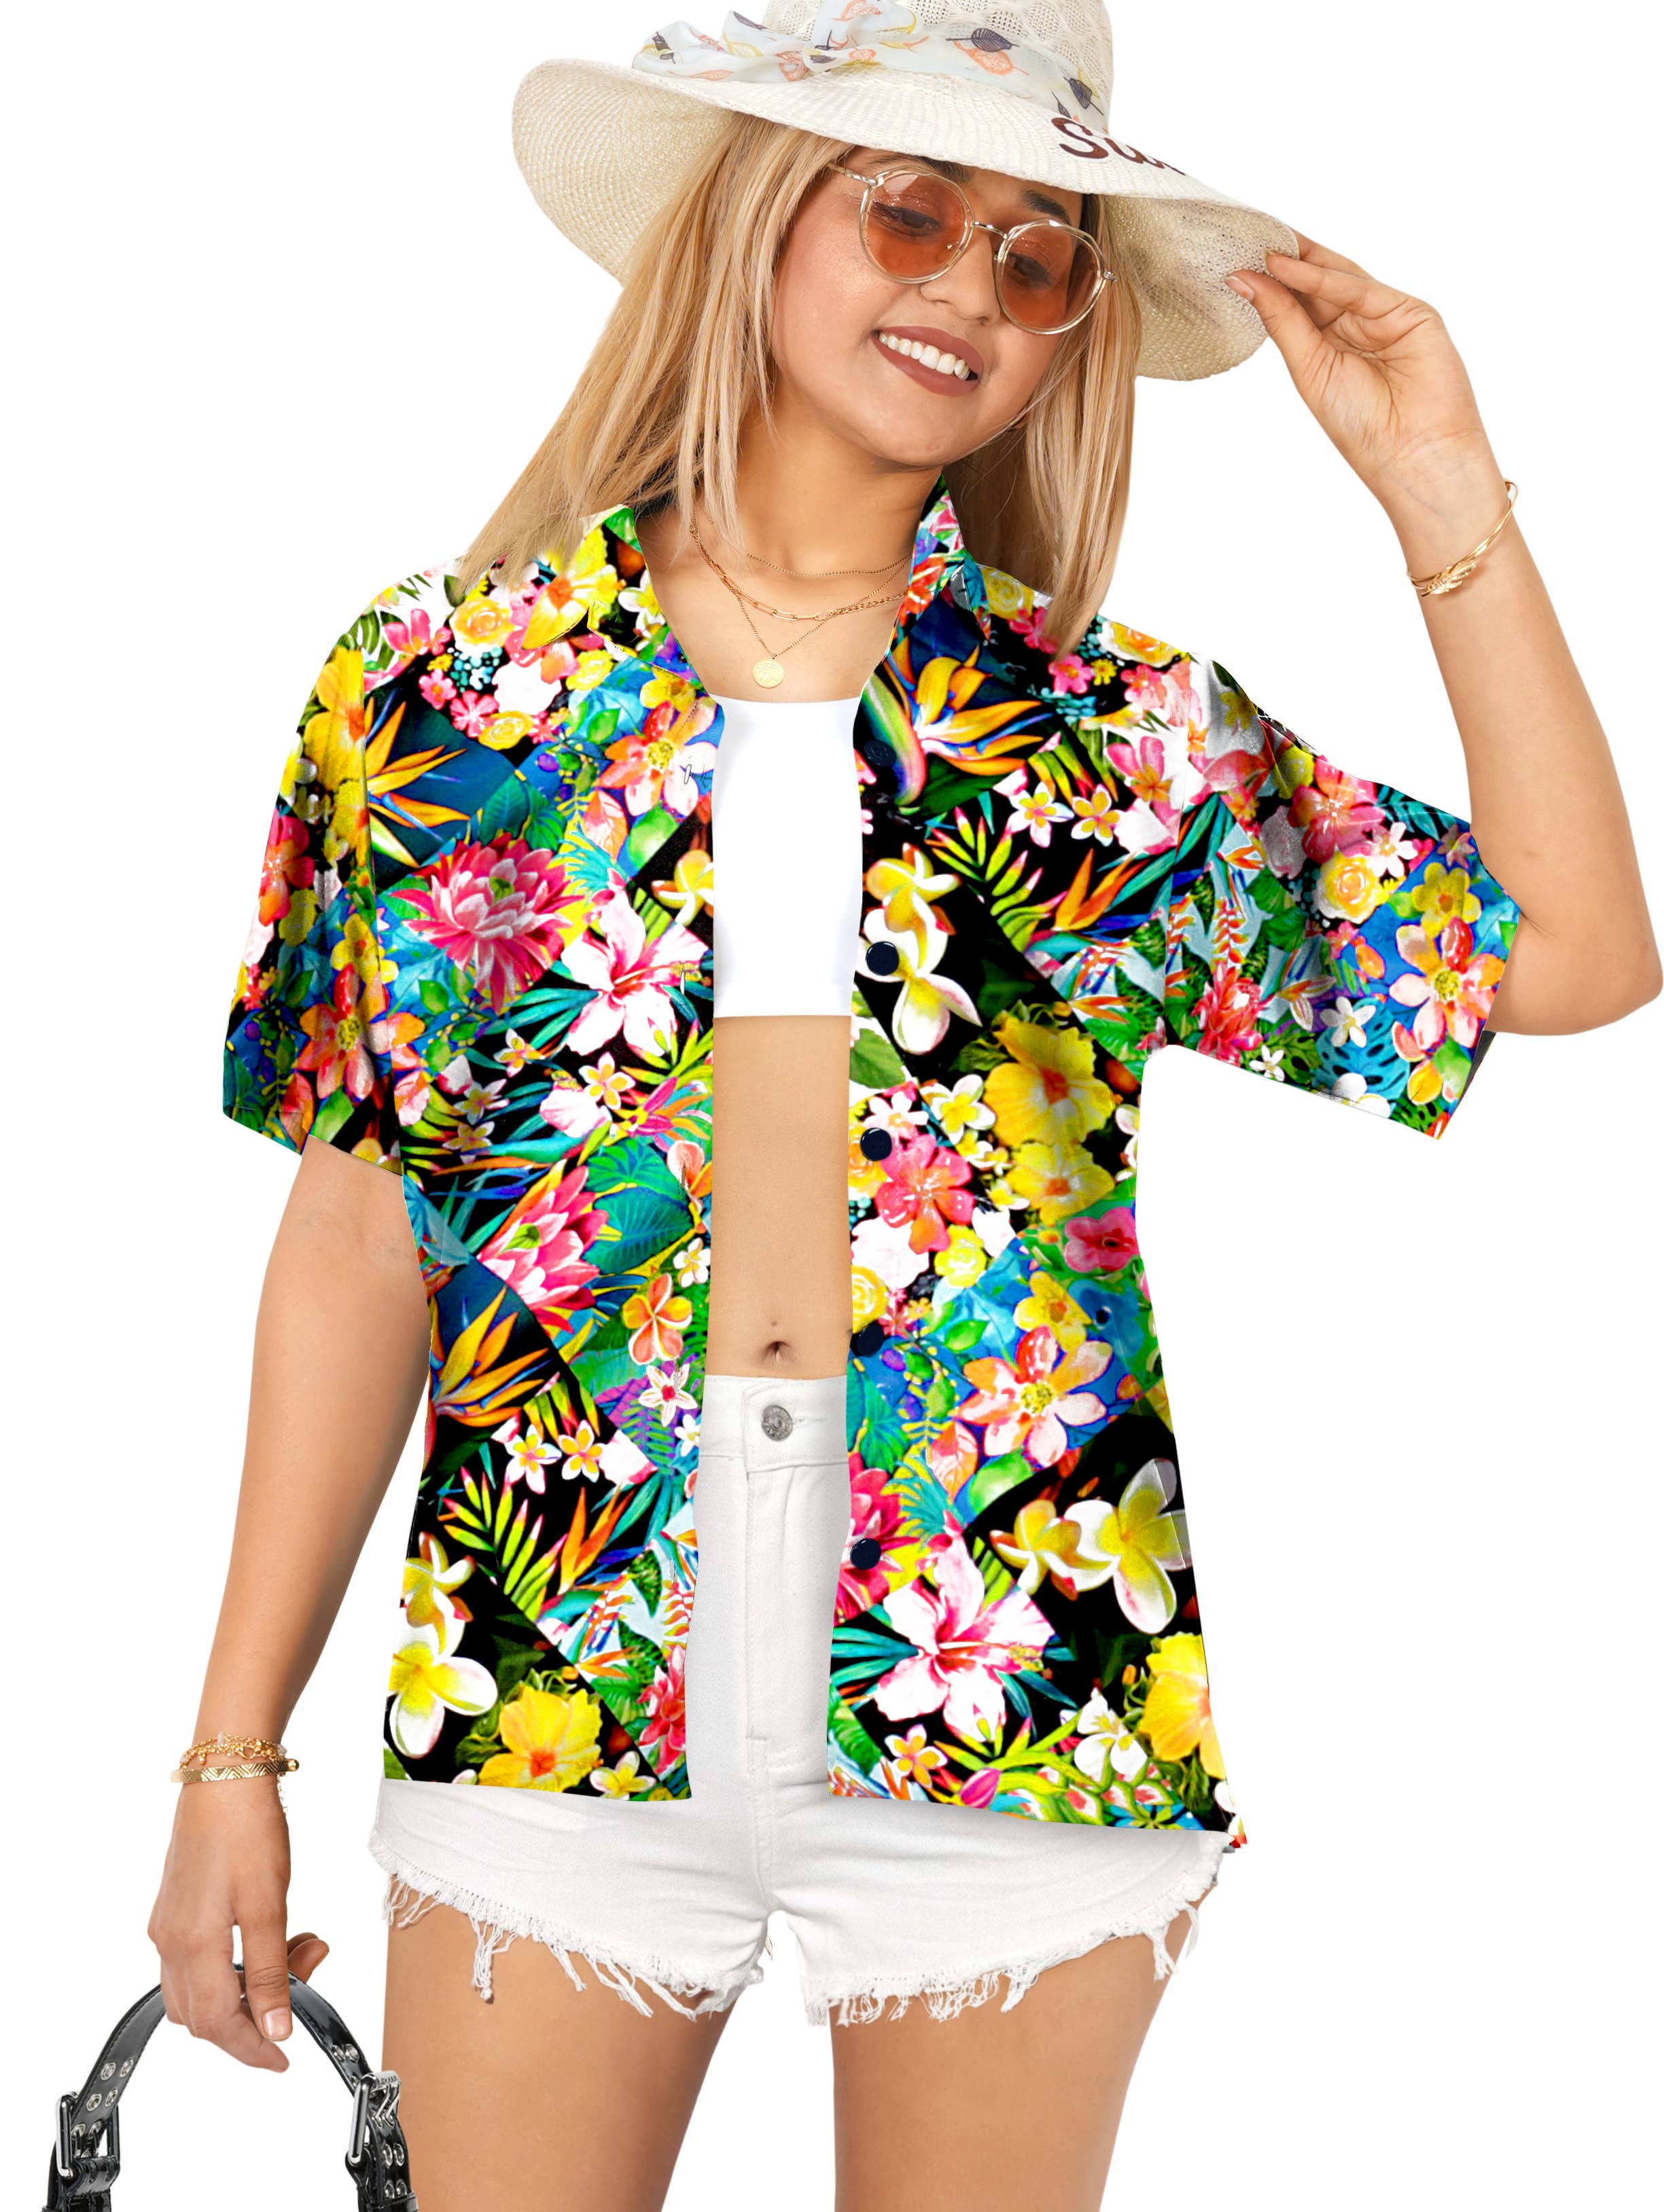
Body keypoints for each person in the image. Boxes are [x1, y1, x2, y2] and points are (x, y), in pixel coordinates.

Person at [147, 4, 1659, 2207]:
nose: (969, 282)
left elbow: (1576, 958)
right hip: (547, 1657)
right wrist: (229, 1753)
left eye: (1039, 255)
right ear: (760, 218)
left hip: (1015, 1662)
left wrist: (1441, 496)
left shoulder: (1106, 738)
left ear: (1065, 343)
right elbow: (361, 1235)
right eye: (909, 210)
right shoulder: (446, 689)